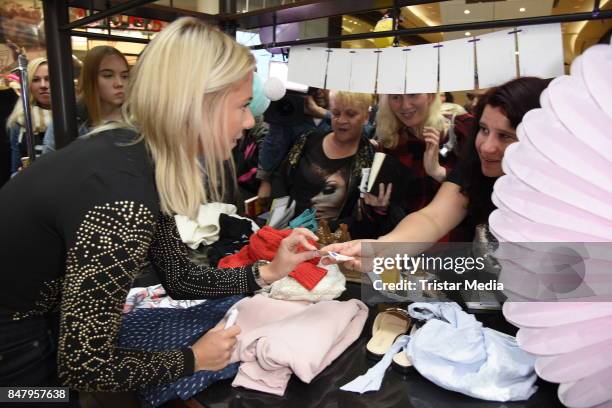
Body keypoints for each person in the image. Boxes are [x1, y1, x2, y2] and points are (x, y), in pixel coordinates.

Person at [0, 17, 318, 395]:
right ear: (198, 104)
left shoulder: (134, 156)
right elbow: (86, 369)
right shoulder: (123, 195)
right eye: (243, 105)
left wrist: (267, 273)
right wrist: (194, 358)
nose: (250, 121)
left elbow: (180, 278)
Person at [322, 77, 549, 270]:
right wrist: (383, 248)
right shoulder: (472, 167)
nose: (487, 147)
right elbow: (432, 217)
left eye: (505, 136)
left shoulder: (560, 190)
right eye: (484, 130)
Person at [360, 92, 476, 239]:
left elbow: (481, 190)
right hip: (409, 247)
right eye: (396, 97)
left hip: (457, 249)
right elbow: (384, 218)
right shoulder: (391, 143)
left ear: (430, 96)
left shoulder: (462, 129)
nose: (405, 105)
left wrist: (439, 172)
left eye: (413, 95)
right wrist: (380, 207)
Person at [270, 91, 375, 226]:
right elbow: (281, 180)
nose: (341, 120)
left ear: (366, 117)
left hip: (335, 242)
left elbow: (363, 216)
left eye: (350, 114)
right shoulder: (308, 140)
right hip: (288, 232)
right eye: (336, 113)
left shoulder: (370, 159)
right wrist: (279, 224)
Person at [43, 46, 129, 153]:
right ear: (90, 78)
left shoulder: (138, 119)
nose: (119, 83)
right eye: (108, 75)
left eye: (125, 76)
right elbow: (50, 164)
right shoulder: (68, 119)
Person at [6, 57, 51, 173]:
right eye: (36, 80)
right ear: (29, 85)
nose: (43, 85)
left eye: (48, 79)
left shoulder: (73, 117)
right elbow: (15, 170)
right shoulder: (20, 121)